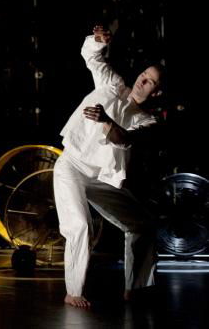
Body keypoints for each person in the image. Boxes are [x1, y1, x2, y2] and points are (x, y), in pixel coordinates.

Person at [54, 25, 163, 308]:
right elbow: (93, 59)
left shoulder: (147, 121)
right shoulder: (112, 84)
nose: (143, 80)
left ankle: (135, 288)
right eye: (144, 75)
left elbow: (124, 139)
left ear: (157, 93)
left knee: (144, 224)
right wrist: (97, 42)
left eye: (151, 81)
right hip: (71, 166)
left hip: (100, 178)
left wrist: (106, 121)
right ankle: (73, 290)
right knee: (79, 225)